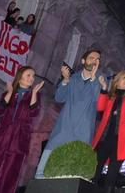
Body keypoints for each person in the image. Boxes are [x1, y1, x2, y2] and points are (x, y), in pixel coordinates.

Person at [37, 47, 107, 177]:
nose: (95, 62)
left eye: (97, 60)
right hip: (63, 129)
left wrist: (94, 81)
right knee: (44, 171)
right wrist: (65, 80)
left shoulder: (101, 80)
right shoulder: (73, 78)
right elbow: (59, 98)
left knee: (69, 173)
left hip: (82, 132)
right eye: (92, 58)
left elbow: (98, 104)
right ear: (83, 60)